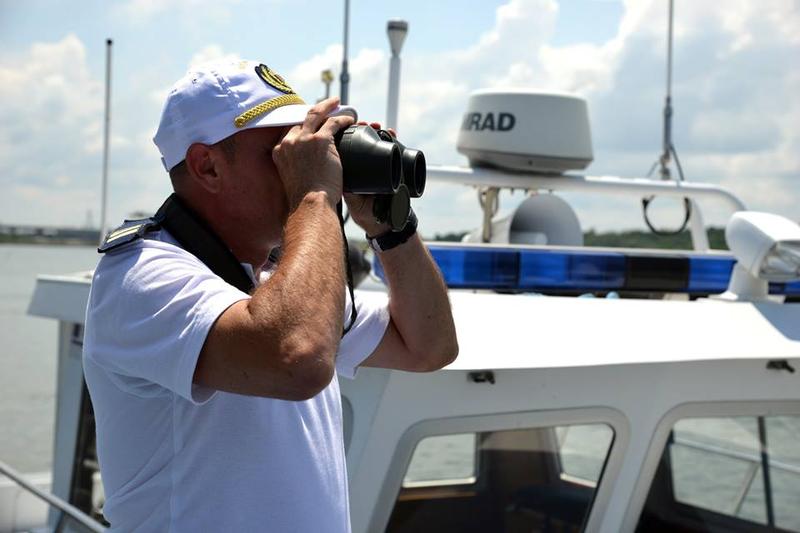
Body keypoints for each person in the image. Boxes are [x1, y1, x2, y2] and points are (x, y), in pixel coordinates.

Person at [82, 59, 458, 532]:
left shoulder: (283, 281)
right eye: (282, 151)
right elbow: (295, 359)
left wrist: (390, 226)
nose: (302, 161)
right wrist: (314, 194)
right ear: (207, 166)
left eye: (305, 147)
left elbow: (428, 346)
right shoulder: (140, 278)